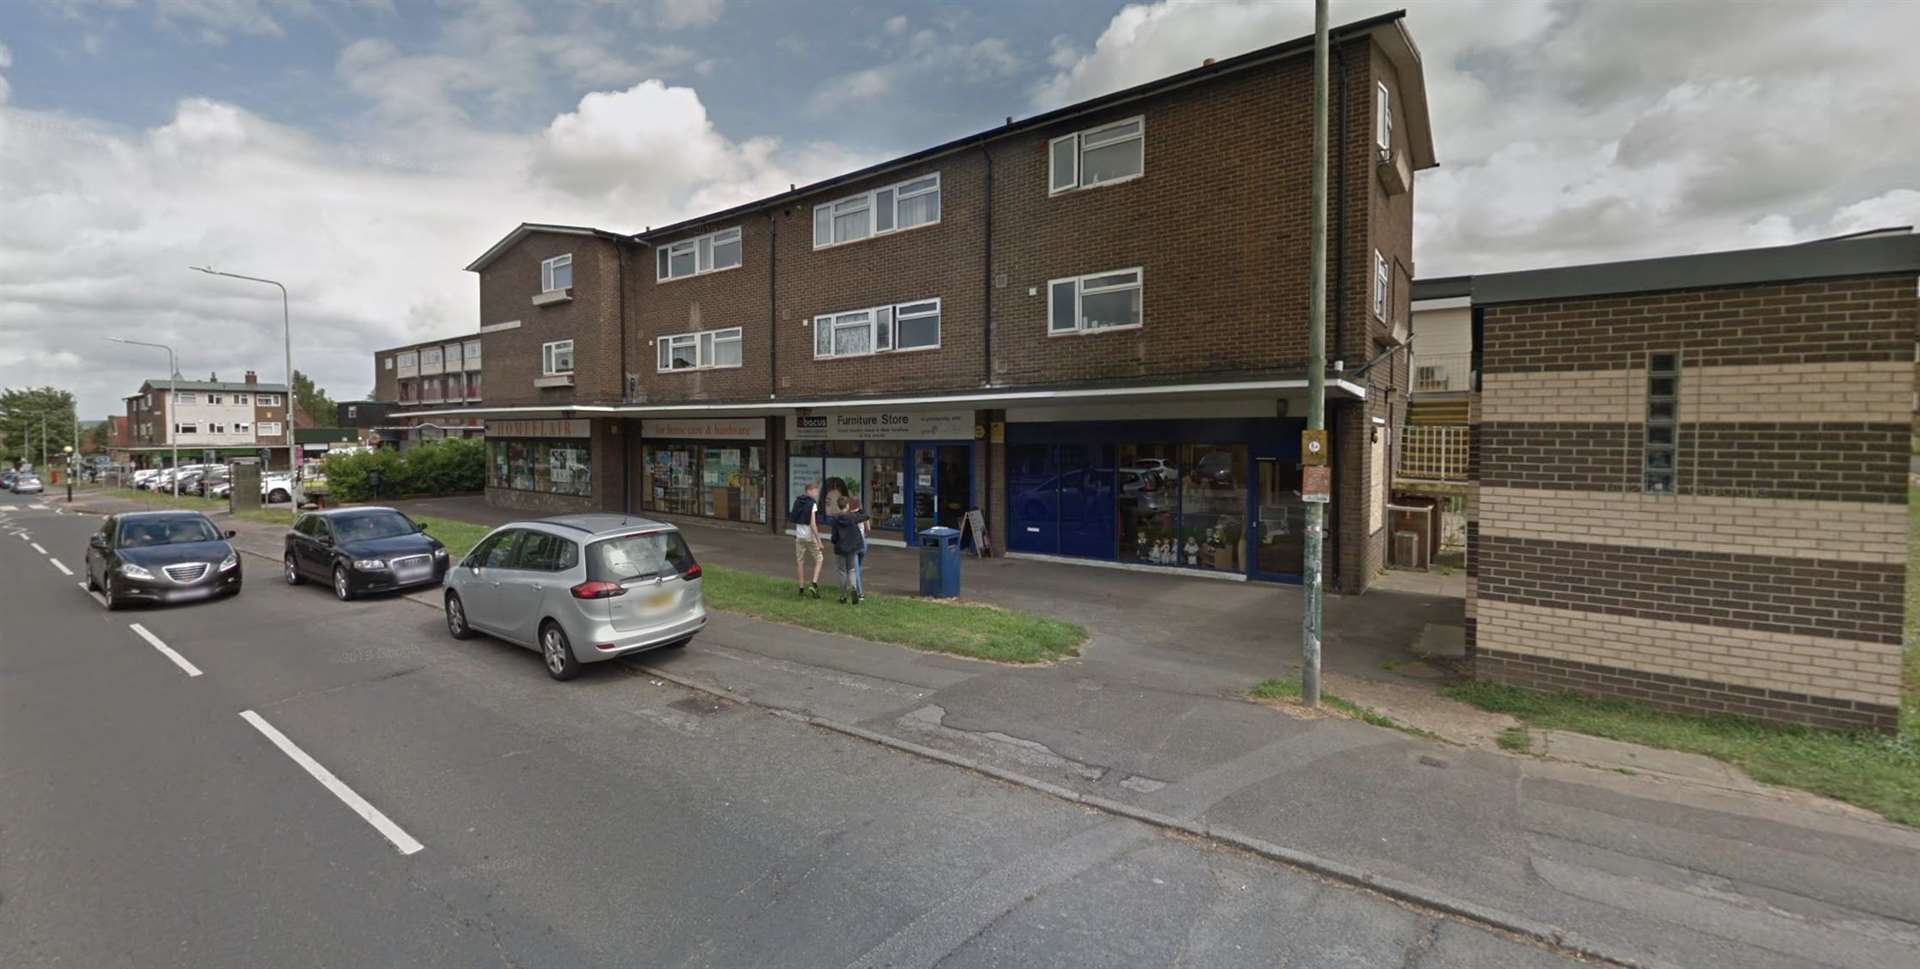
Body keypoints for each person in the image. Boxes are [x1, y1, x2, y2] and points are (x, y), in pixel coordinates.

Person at [829, 496, 869, 604]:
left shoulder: (835, 519)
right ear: (847, 505)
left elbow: (834, 536)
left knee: (842, 571)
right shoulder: (853, 517)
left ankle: (843, 596)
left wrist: (834, 542)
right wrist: (860, 510)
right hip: (852, 547)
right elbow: (865, 517)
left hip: (840, 548)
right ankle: (854, 588)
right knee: (852, 570)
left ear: (839, 506)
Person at [790, 481, 824, 598]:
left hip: (799, 536)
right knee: (819, 558)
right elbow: (813, 524)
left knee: (800, 561)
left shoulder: (797, 501)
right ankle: (814, 584)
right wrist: (819, 540)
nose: (816, 493)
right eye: (815, 491)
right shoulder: (812, 504)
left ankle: (801, 587)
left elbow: (794, 516)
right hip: (810, 537)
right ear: (808, 491)